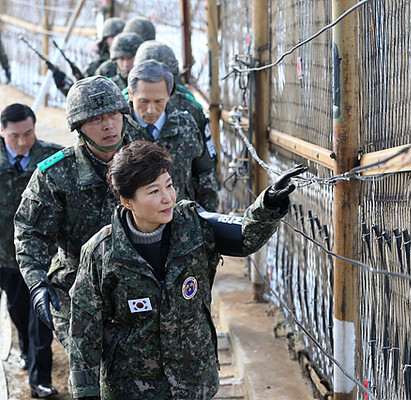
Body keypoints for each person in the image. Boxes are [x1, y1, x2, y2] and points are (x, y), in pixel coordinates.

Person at [68, 141, 307, 399]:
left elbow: (245, 236)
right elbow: (84, 330)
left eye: (169, 185)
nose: (167, 198)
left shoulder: (195, 226)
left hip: (193, 382)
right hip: (132, 388)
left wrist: (269, 203)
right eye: (153, 191)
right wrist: (86, 392)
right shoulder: (102, 252)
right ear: (127, 201)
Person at [14, 76, 132, 351]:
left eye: (114, 114)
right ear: (78, 127)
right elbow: (29, 233)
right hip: (75, 289)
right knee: (88, 373)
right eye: (95, 119)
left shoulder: (145, 159)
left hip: (137, 285)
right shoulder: (54, 175)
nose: (108, 125)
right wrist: (37, 285)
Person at [0, 104, 61, 398]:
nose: (22, 142)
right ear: (2, 132)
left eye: (28, 134)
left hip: (43, 255)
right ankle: (22, 344)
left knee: (40, 315)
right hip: (5, 256)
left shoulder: (52, 158)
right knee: (17, 307)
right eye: (14, 136)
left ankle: (40, 380)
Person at [132, 41, 219, 210]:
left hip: (182, 216)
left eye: (159, 101)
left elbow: (206, 166)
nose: (151, 109)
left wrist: (208, 218)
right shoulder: (118, 121)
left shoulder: (189, 114)